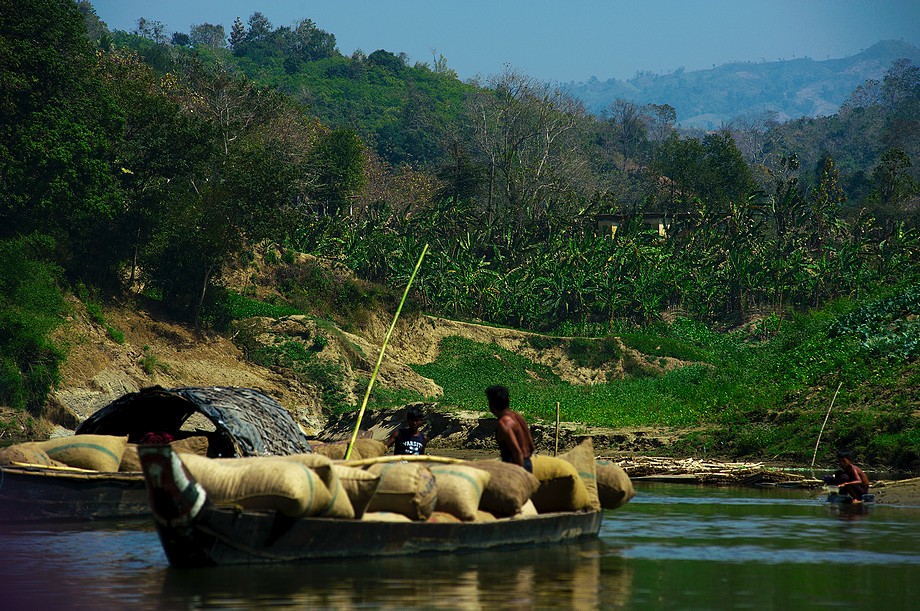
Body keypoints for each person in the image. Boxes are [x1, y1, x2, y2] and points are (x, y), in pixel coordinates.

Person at [485, 384, 535, 473]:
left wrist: (518, 474)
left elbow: (517, 453)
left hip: (516, 466)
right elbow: (531, 446)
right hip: (528, 463)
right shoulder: (518, 417)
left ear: (491, 405)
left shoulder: (504, 423)